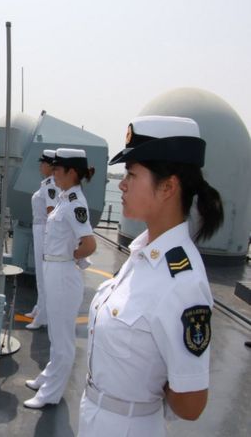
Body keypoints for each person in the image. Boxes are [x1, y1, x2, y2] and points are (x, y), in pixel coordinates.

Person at [78, 116, 223, 436]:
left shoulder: (182, 282)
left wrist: (149, 385)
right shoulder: (142, 255)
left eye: (132, 174)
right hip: (95, 417)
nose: (122, 184)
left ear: (168, 186)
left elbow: (191, 404)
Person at [24, 147, 97, 409]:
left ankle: (50, 394)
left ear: (72, 172)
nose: (52, 173)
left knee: (63, 338)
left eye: (57, 169)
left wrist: (70, 258)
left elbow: (89, 244)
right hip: (54, 269)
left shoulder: (76, 203)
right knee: (55, 332)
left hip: (63, 274)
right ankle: (48, 376)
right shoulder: (65, 198)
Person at [25, 149, 60, 330]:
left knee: (43, 275)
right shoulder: (46, 184)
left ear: (50, 166)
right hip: (39, 229)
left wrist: (48, 238)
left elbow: (51, 213)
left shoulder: (50, 186)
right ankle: (39, 308)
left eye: (43, 163)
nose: (40, 166)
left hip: (44, 231)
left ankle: (43, 317)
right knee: (40, 274)